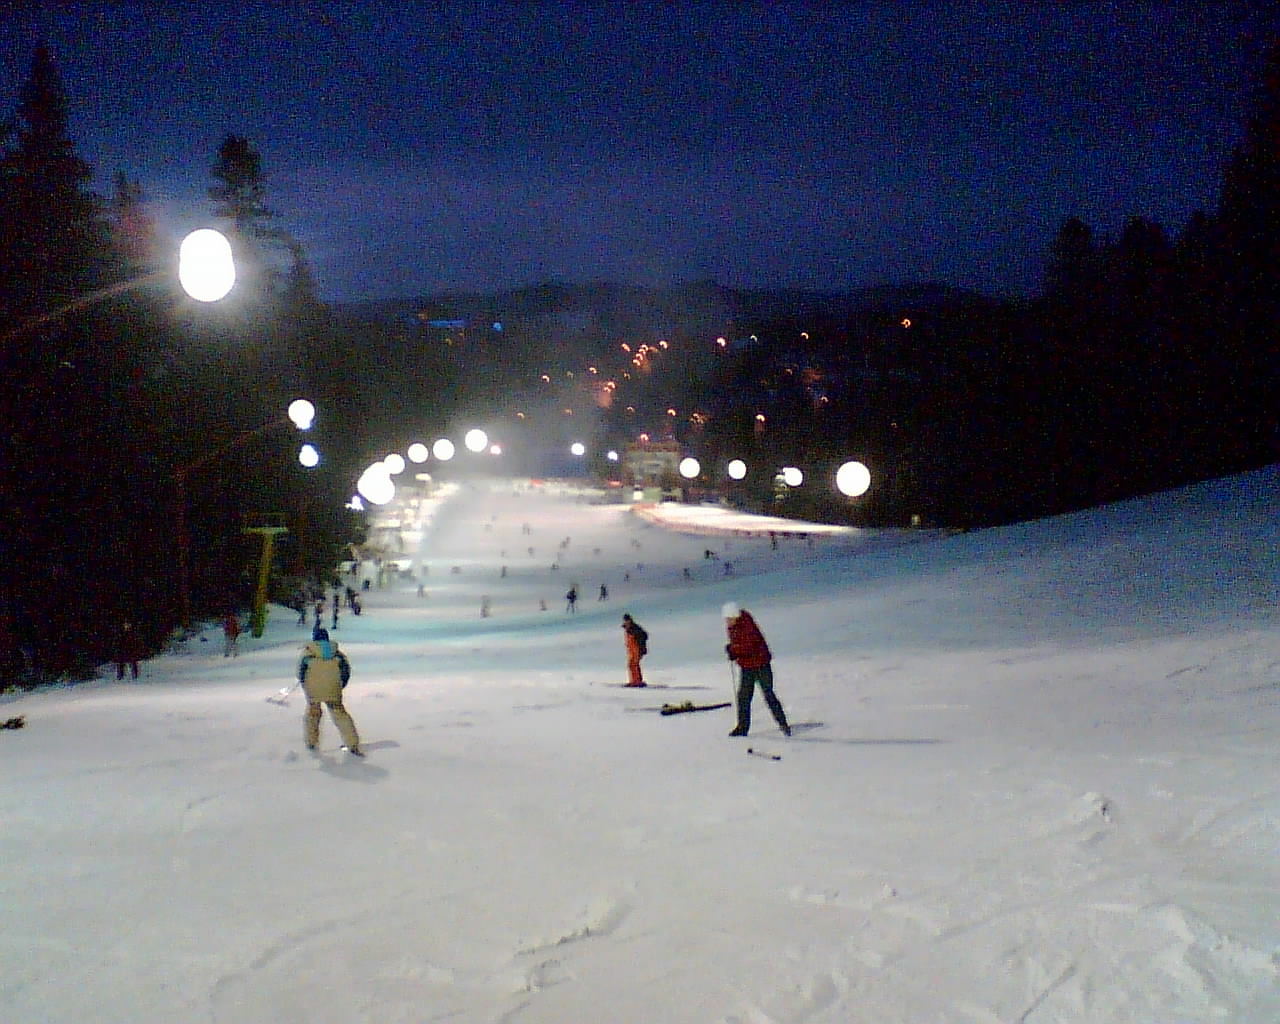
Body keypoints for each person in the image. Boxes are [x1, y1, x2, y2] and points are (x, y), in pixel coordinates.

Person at [722, 602, 790, 737]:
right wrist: (732, 650)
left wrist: (734, 650)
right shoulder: (732, 628)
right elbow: (738, 645)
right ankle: (742, 728)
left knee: (768, 694)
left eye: (729, 618)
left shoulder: (747, 624)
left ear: (735, 616)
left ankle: (783, 724)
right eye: (726, 619)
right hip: (747, 666)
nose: (727, 621)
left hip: (761, 664)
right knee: (743, 697)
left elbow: (749, 645)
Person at [298, 628, 362, 756]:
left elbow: (301, 673)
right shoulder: (337, 654)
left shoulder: (307, 653)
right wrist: (340, 685)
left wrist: (306, 685)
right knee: (340, 715)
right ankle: (352, 744)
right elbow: (345, 672)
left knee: (312, 714)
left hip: (313, 689)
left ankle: (311, 742)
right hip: (333, 688)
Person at [621, 613, 647, 687]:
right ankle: (634, 680)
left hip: (637, 649)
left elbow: (644, 636)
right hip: (631, 650)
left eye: (627, 620)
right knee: (632, 665)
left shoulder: (635, 628)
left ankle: (637, 681)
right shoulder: (627, 629)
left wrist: (642, 648)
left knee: (633, 664)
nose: (626, 621)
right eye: (625, 620)